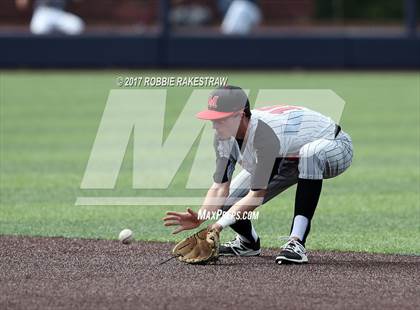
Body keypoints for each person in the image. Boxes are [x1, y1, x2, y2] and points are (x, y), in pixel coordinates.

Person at [163, 86, 353, 264]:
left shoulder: (265, 134)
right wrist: (201, 217)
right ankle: (247, 244)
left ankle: (297, 242)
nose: (214, 124)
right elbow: (220, 187)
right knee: (227, 202)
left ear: (240, 115)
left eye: (220, 119)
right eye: (212, 119)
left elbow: (256, 195)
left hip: (334, 147)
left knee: (310, 154)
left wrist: (218, 226)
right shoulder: (223, 137)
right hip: (287, 157)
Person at [15, 0, 84, 35]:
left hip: (59, 12)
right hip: (43, 12)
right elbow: (22, 4)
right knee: (38, 29)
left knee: (76, 25)